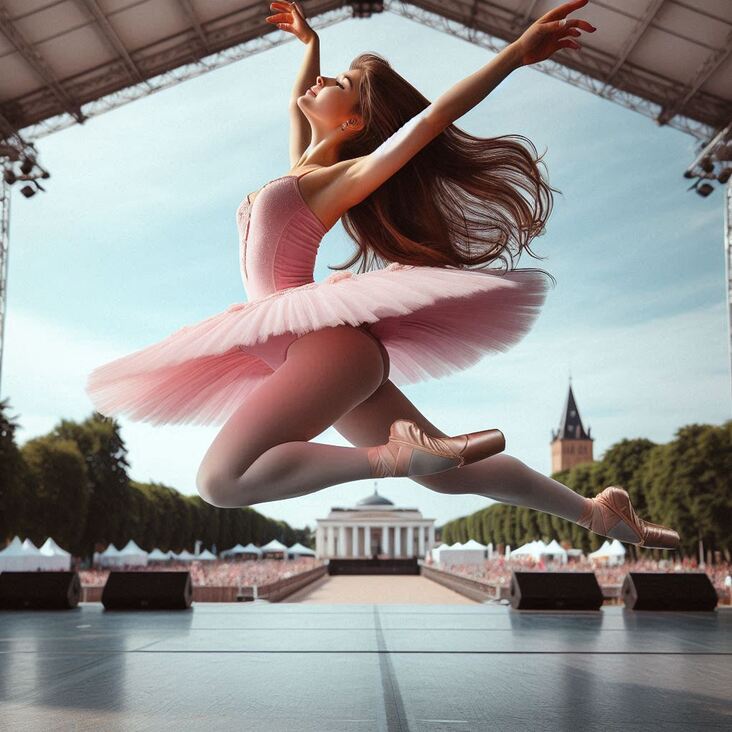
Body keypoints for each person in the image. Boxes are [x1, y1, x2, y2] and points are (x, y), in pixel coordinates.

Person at [85, 0, 679, 550]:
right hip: (312, 351)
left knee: (220, 479)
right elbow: (297, 101)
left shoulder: (335, 178)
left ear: (355, 123)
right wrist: (309, 44)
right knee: (450, 480)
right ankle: (599, 513)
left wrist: (515, 55)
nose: (320, 83)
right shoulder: (300, 169)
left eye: (339, 84)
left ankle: (391, 458)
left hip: (322, 349)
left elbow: (429, 122)